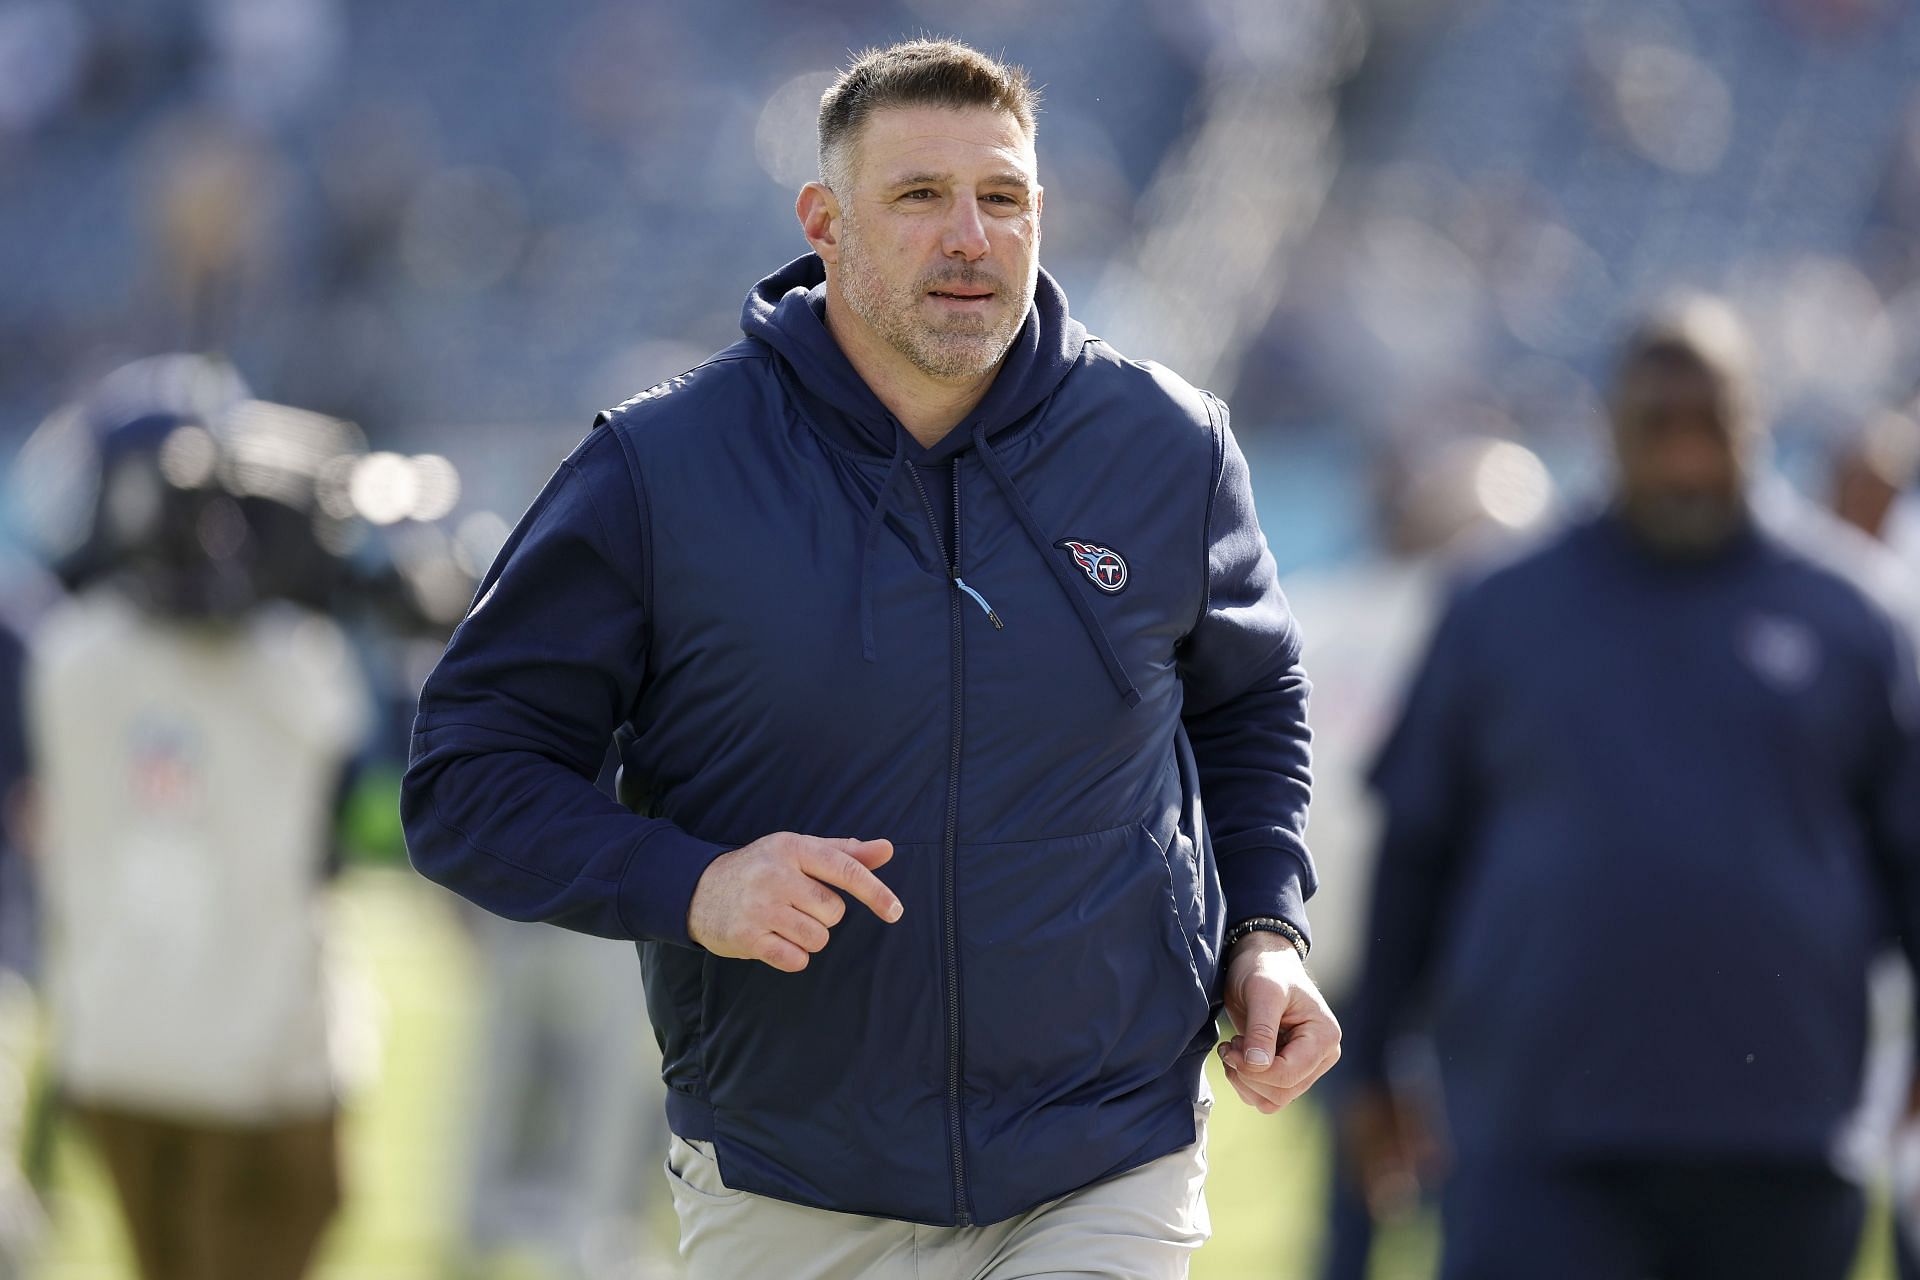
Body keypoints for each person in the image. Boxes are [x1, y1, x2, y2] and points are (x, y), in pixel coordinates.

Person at [402, 37, 1338, 1280]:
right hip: (791, 1177)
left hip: (1104, 1157)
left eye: (1003, 198)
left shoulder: (1169, 449)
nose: (971, 237)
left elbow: (1252, 700)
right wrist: (692, 883)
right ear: (824, 222)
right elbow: (466, 776)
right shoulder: (660, 468)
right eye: (920, 197)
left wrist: (1268, 924)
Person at [1343, 297, 1920, 1280]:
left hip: (1782, 1135)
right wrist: (1371, 1062)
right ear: (1610, 429)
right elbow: (1417, 849)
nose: (1686, 457)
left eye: (1712, 428)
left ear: (1757, 429)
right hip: (1538, 1133)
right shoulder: (1499, 608)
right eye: (1660, 428)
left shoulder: (1851, 614)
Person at [24, 363, 373, 1280]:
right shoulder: (295, 667)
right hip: (261, 1069)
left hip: (111, 1049)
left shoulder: (66, 657)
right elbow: (354, 801)